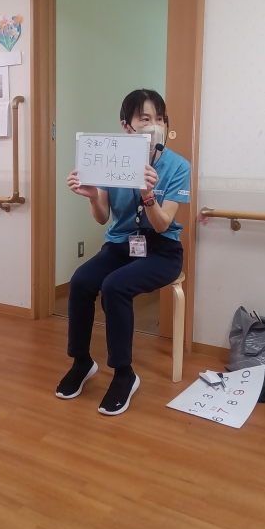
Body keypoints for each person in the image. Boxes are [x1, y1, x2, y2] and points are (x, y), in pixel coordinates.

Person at [56, 89, 191, 415]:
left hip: (162, 251)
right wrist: (92, 196)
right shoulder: (109, 158)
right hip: (120, 245)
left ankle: (123, 373)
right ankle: (81, 361)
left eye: (159, 118)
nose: (154, 125)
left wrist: (147, 194)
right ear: (126, 126)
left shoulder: (178, 166)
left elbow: (162, 224)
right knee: (81, 281)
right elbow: (103, 217)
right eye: (144, 118)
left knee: (115, 286)